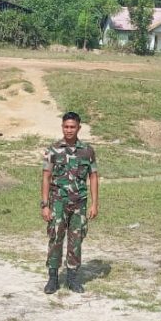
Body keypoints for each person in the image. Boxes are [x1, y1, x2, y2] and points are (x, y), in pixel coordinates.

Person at [41, 112, 99, 294]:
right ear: (62, 127)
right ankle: (53, 278)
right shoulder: (54, 150)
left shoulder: (87, 151)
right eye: (66, 126)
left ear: (79, 128)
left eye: (72, 127)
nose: (69, 130)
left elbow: (94, 176)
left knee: (76, 240)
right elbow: (46, 177)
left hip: (79, 203)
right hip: (58, 202)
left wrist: (94, 203)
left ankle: (73, 278)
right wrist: (45, 205)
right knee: (55, 239)